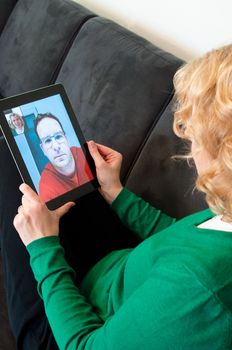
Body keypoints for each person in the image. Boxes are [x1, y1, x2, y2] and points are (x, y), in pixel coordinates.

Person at [1, 44, 232, 349]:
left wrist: (42, 247)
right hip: (120, 276)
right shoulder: (225, 215)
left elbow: (84, 345)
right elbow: (185, 241)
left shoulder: (201, 286)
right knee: (78, 174)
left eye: (196, 133)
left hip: (66, 334)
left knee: (5, 159)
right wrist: (117, 194)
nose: (188, 141)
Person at [34, 112, 94, 202]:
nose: (56, 147)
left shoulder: (86, 154)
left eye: (58, 136)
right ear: (43, 150)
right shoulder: (46, 186)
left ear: (66, 139)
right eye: (47, 141)